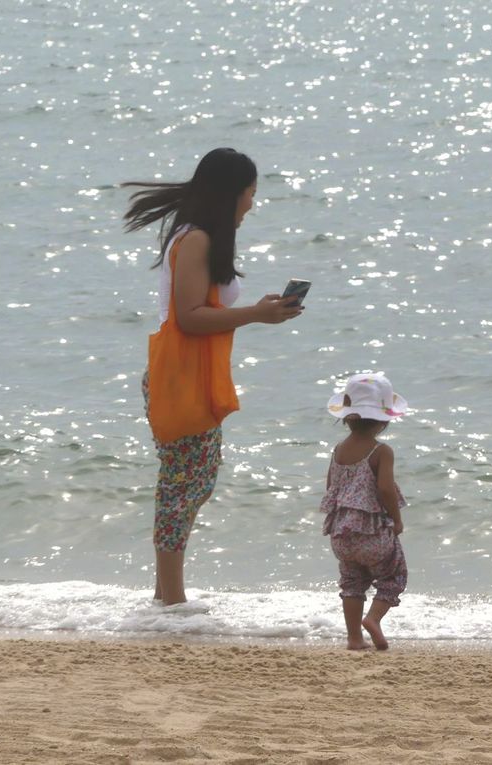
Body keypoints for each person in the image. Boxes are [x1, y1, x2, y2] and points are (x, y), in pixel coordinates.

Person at [123, 147, 302, 606]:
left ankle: (167, 595)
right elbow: (188, 317)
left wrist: (257, 310)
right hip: (179, 375)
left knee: (192, 482)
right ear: (232, 194)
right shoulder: (197, 238)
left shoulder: (199, 236)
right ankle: (170, 599)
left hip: (187, 373)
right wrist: (256, 316)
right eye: (250, 194)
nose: (252, 204)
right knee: (183, 486)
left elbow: (205, 308)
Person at [321, 373, 409, 650]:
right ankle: (372, 619)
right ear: (384, 420)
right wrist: (396, 519)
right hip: (371, 533)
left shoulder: (338, 450)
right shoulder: (381, 451)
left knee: (352, 582)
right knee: (392, 576)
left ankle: (354, 638)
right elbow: (384, 489)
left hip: (341, 534)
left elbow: (330, 486)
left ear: (346, 417)